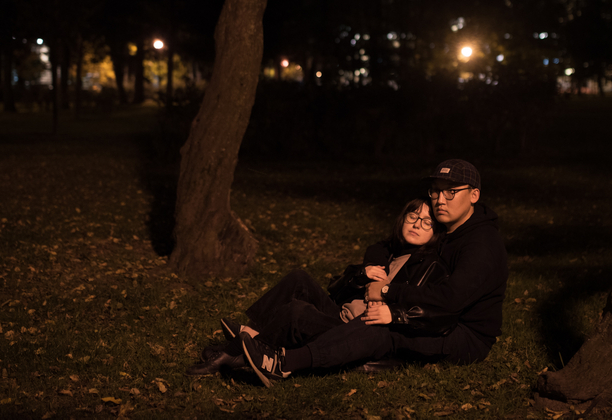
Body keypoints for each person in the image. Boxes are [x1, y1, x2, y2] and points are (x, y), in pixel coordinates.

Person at [240, 159, 508, 387]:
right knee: (302, 281)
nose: (440, 200)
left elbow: (450, 300)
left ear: (474, 195)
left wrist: (392, 302)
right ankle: (246, 342)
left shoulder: (481, 244)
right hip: (431, 315)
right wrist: (377, 271)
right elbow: (386, 245)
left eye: (451, 192)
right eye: (436, 191)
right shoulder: (448, 227)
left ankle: (284, 363)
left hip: (461, 334)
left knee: (383, 326)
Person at [185, 198, 442, 376]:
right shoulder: (387, 251)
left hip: (351, 332)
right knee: (299, 278)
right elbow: (337, 291)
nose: (417, 224)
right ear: (402, 218)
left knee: (298, 312)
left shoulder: (425, 265)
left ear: (435, 232)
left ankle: (236, 353)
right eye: (413, 216)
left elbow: (412, 310)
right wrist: (361, 275)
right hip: (340, 312)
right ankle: (253, 334)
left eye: (426, 222)